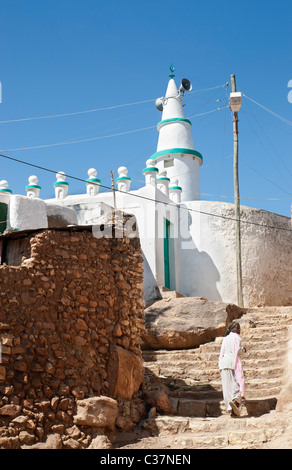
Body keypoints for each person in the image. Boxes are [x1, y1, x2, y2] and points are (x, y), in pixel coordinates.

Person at [218, 320, 246, 417]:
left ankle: (233, 410)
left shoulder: (225, 339)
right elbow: (238, 351)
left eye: (239, 328)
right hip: (232, 363)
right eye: (237, 328)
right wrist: (243, 350)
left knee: (227, 388)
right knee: (236, 386)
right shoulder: (236, 337)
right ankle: (236, 402)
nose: (238, 330)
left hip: (223, 364)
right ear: (231, 329)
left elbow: (221, 353)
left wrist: (220, 365)